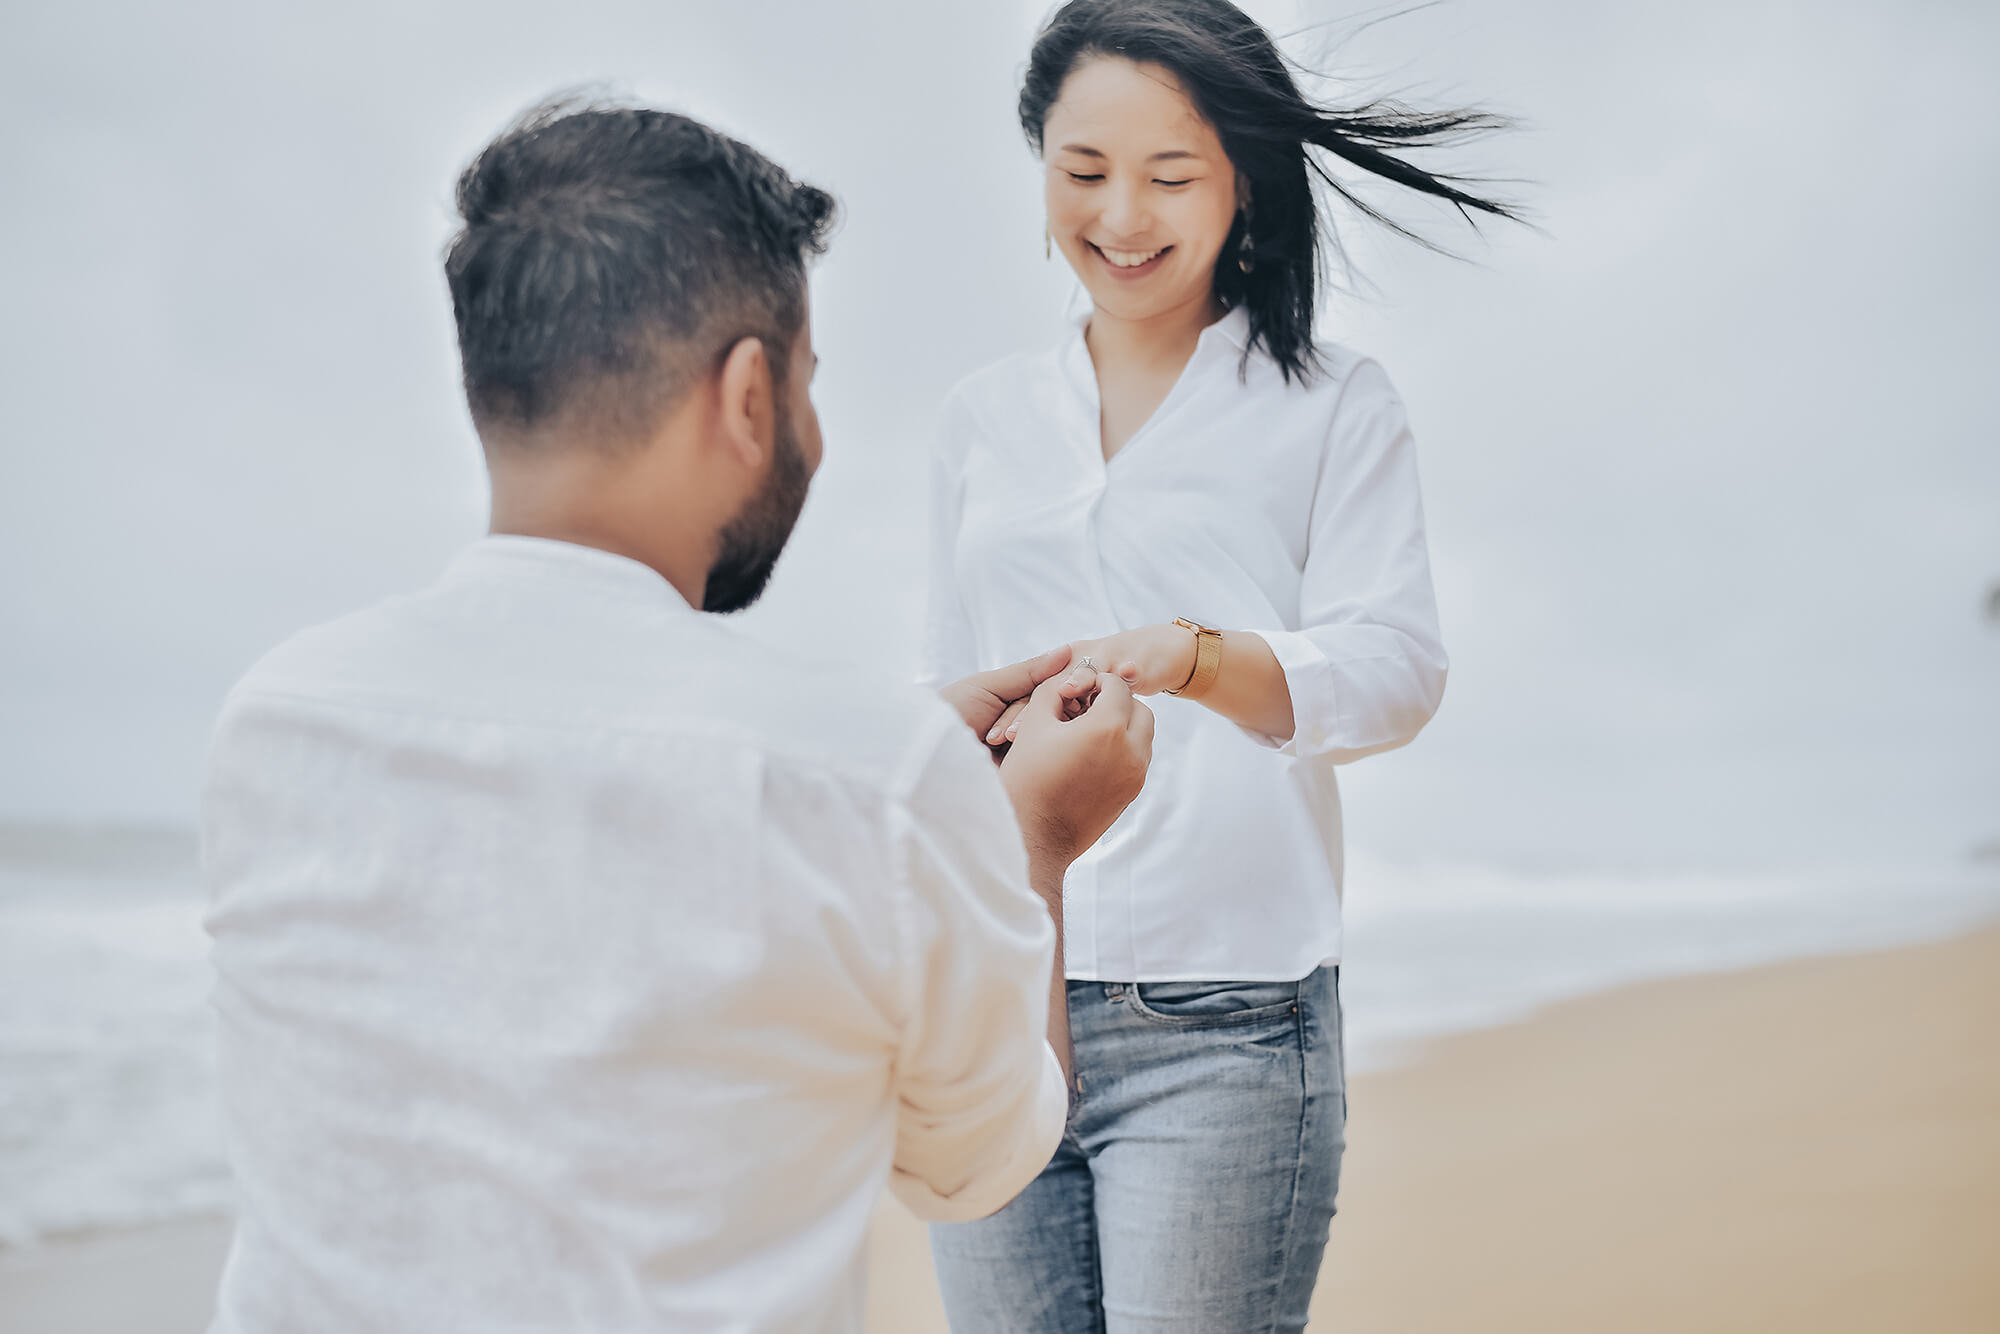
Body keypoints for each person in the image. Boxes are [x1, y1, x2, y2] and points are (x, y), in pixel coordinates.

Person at [201, 100, 1153, 1333]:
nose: (808, 428)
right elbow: (974, 1161)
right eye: (806, 383)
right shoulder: (871, 781)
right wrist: (1026, 843)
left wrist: (886, 782)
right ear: (747, 394)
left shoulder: (279, 718)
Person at [920, 2, 1518, 1328]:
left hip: (1228, 1021)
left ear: (1241, 176)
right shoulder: (981, 419)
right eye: (1083, 173)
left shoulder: (1331, 401)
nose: (1122, 216)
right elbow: (942, 700)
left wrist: (1199, 658)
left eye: (1170, 176)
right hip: (991, 996)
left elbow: (1396, 670)